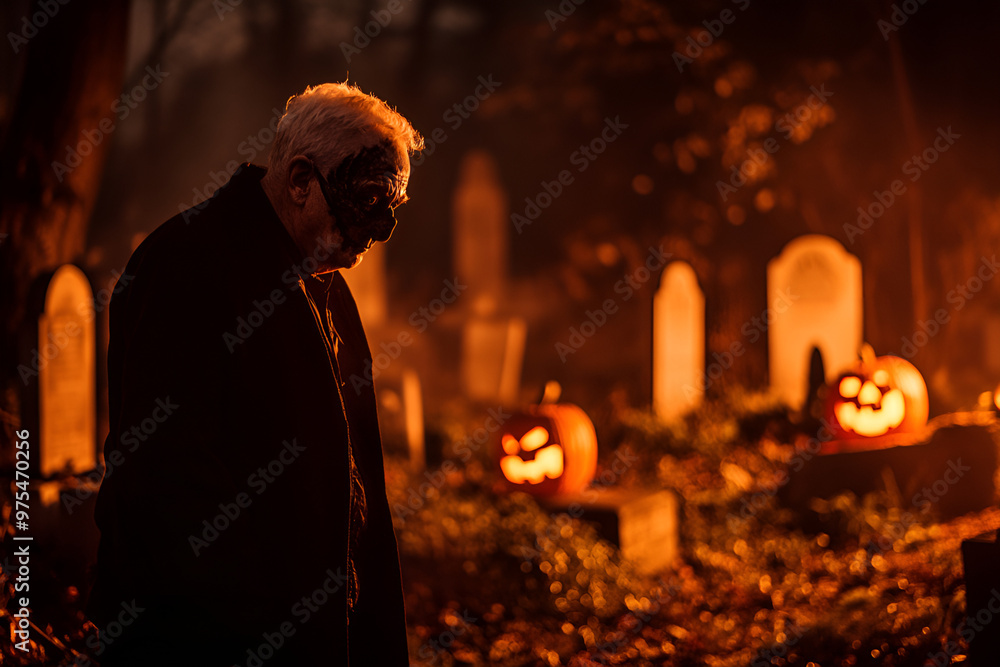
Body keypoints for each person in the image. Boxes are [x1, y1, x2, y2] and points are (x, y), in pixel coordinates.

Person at [89, 83, 423, 666]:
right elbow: (164, 486)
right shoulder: (186, 267)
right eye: (367, 199)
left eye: (391, 208)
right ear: (300, 180)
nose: (379, 231)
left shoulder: (322, 280)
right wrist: (272, 620)